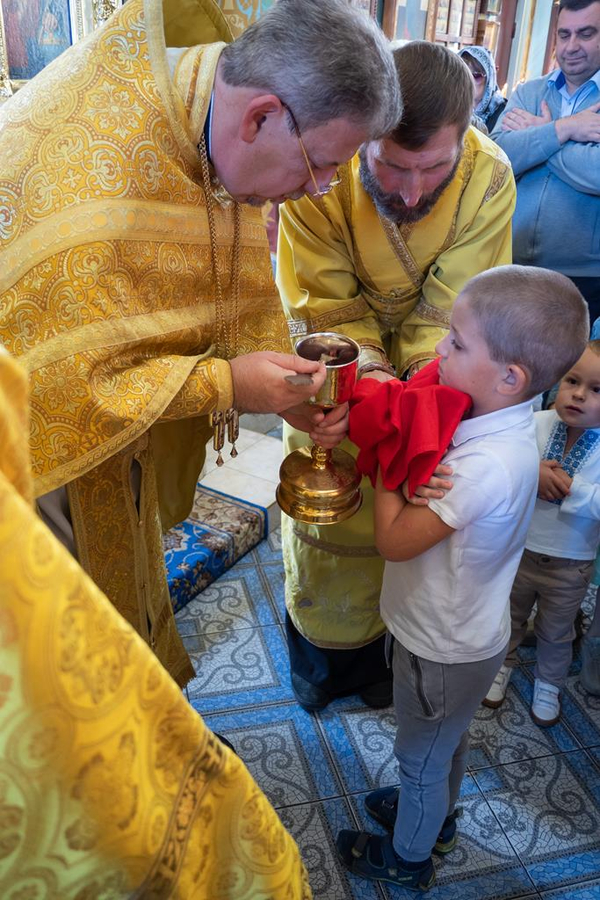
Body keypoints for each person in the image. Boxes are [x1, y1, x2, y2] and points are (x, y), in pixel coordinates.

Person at [0, 0, 401, 686]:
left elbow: (203, 283)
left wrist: (285, 389)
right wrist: (230, 385)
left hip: (119, 449)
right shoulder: (101, 185)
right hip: (37, 461)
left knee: (124, 586)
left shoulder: (204, 104)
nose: (318, 189)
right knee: (62, 650)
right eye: (322, 163)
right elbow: (63, 388)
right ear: (261, 117)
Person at [0, 347, 311, 899]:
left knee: (135, 582)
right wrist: (223, 382)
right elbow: (48, 372)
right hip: (40, 495)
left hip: (107, 468)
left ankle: (156, 730)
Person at [277, 40, 516, 712]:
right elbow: (324, 305)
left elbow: (455, 311)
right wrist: (374, 386)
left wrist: (406, 403)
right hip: (332, 387)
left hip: (429, 390)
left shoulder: (490, 179)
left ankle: (387, 666)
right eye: (391, 167)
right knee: (327, 519)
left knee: (411, 526)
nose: (412, 192)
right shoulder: (321, 170)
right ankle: (322, 669)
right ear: (363, 141)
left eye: (434, 168)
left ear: (464, 141)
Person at [334, 265, 589, 891]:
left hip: (442, 648)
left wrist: (389, 469)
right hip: (455, 632)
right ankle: (438, 820)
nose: (440, 350)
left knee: (419, 759)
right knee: (437, 748)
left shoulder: (486, 466)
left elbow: (395, 542)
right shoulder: (496, 422)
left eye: (456, 341)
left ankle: (409, 857)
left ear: (511, 377)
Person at [484, 341, 600, 723]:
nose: (579, 395)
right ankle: (503, 665)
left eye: (596, 390)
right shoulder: (533, 425)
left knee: (557, 630)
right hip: (518, 550)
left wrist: (571, 489)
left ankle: (549, 682)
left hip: (571, 565)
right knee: (509, 617)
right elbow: (504, 462)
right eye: (572, 380)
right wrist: (531, 473)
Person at [491, 0, 600, 322]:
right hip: (512, 259)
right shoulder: (530, 92)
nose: (571, 46)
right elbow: (499, 156)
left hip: (585, 275)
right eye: (564, 34)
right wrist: (565, 129)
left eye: (586, 33)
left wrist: (540, 133)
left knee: (571, 371)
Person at [458, 45, 507, 133]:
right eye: (463, 75)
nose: (468, 81)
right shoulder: (452, 107)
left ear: (489, 78)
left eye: (476, 75)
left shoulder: (504, 113)